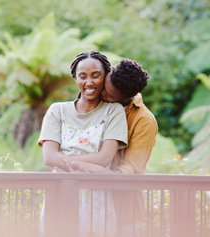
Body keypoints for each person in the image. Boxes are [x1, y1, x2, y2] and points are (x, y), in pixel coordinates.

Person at [38, 51, 128, 236]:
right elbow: (49, 157)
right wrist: (87, 165)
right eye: (83, 76)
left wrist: (68, 161)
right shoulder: (57, 111)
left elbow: (104, 157)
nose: (89, 82)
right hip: (60, 193)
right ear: (75, 78)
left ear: (105, 76)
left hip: (97, 198)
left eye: (96, 76)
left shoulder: (113, 112)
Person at [65, 58, 158, 237]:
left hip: (123, 212)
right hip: (85, 206)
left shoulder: (144, 121)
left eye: (109, 95)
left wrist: (89, 167)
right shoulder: (96, 104)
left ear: (126, 98)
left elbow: (128, 171)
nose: (102, 95)